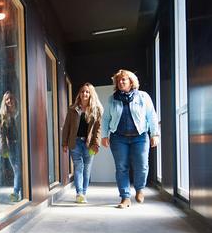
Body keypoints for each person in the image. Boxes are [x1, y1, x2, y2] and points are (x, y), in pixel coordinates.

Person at [100, 69, 159, 208]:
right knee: (121, 167)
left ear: (131, 82)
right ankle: (125, 198)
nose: (120, 82)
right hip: (118, 138)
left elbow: (152, 116)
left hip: (140, 137)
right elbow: (106, 119)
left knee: (142, 165)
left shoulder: (143, 97)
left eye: (123, 80)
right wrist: (104, 135)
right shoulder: (112, 99)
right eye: (118, 80)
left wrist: (154, 134)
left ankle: (139, 189)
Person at [62, 82, 103, 204]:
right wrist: (64, 143)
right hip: (75, 143)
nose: (84, 93)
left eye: (87, 92)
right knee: (78, 167)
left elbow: (98, 129)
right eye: (82, 91)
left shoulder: (96, 110)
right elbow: (66, 127)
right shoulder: (73, 109)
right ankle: (79, 193)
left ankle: (83, 193)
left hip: (89, 144)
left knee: (87, 169)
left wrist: (96, 144)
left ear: (91, 94)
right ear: (79, 94)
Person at [0, 90, 22, 202]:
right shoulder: (2, 115)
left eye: (11, 98)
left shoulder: (18, 112)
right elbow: (1, 134)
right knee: (17, 169)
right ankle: (16, 193)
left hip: (22, 144)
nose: (9, 101)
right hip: (11, 145)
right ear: (4, 101)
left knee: (21, 168)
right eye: (7, 99)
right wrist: (3, 148)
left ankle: (21, 191)